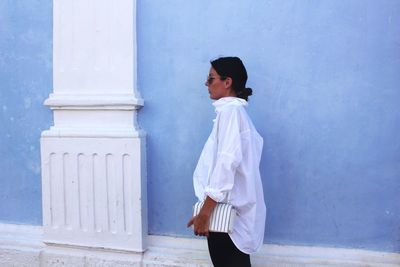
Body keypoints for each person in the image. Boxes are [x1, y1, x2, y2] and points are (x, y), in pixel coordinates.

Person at [187, 57, 266, 267]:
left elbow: (226, 163)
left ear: (227, 81)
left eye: (211, 78)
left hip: (226, 215)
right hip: (230, 213)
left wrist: (205, 212)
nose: (206, 83)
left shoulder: (231, 112)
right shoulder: (234, 113)